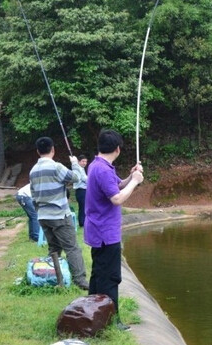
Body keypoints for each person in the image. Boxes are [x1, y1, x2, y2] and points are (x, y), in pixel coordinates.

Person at [84, 129, 144, 331]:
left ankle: (92, 313)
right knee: (110, 278)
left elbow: (116, 186)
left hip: (99, 232)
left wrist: (130, 176)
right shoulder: (102, 169)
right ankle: (111, 321)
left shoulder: (98, 165)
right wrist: (135, 182)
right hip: (105, 234)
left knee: (98, 275)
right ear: (117, 149)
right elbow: (116, 198)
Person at [29, 136, 89, 290]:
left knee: (54, 249)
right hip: (60, 215)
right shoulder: (56, 167)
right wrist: (75, 163)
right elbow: (76, 178)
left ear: (37, 151)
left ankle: (54, 279)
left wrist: (40, 211)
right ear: (53, 150)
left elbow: (33, 195)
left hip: (43, 216)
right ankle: (80, 281)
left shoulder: (33, 171)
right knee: (72, 248)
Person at [73, 154, 88, 227]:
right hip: (81, 190)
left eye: (85, 161)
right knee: (83, 206)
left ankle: (83, 221)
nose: (84, 163)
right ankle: (82, 222)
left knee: (83, 206)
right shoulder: (78, 169)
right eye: (83, 161)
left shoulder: (82, 169)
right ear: (78, 161)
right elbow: (84, 179)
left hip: (83, 190)